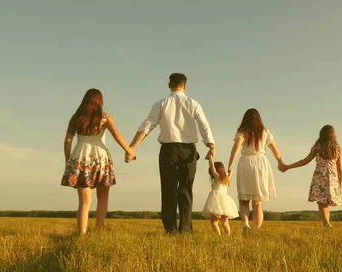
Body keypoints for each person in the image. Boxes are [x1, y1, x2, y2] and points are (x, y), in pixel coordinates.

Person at [128, 73, 215, 234]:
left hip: (168, 150)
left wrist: (132, 147)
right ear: (185, 85)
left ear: (169, 85)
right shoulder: (193, 103)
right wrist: (210, 144)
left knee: (168, 190)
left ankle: (170, 230)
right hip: (188, 149)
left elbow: (148, 125)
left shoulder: (160, 104)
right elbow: (204, 124)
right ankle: (185, 229)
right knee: (186, 189)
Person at [61, 88, 135, 235]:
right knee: (102, 198)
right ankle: (99, 230)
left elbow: (68, 141)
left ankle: (81, 235)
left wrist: (68, 161)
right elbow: (117, 136)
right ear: (100, 101)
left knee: (84, 202)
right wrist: (129, 151)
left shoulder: (76, 118)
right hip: (100, 158)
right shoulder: (105, 118)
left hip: (80, 158)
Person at [227, 108, 283, 234]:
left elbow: (235, 147)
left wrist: (230, 165)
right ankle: (255, 230)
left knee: (244, 199)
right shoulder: (265, 132)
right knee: (257, 202)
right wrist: (280, 162)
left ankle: (245, 223)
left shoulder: (242, 131)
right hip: (261, 164)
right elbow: (275, 150)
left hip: (246, 162)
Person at [280, 125, 342, 228]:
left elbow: (305, 161)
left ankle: (326, 224)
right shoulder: (336, 149)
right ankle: (326, 224)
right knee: (326, 203)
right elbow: (340, 170)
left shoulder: (318, 146)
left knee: (321, 202)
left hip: (320, 177)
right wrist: (340, 185)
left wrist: (288, 167)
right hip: (333, 179)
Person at [202, 155, 238, 236]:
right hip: (225, 203)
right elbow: (231, 174)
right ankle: (227, 236)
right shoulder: (226, 179)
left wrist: (210, 157)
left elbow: (212, 166)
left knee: (214, 222)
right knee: (225, 222)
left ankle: (218, 236)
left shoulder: (217, 177)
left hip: (217, 202)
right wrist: (231, 171)